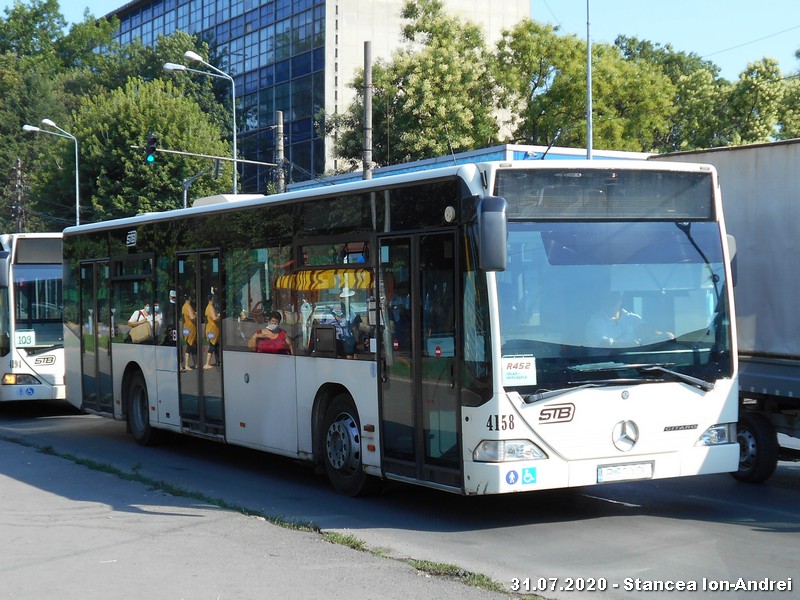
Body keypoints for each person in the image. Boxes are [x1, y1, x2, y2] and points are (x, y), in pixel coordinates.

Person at [204, 292, 221, 369]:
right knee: (212, 345)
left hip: (209, 329)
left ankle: (218, 361)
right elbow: (214, 318)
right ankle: (207, 363)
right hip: (213, 329)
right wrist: (219, 316)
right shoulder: (211, 307)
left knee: (215, 344)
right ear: (212, 299)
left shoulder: (207, 307)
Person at [181, 293, 197, 370]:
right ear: (189, 298)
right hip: (190, 328)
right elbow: (192, 317)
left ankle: (196, 364)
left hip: (185, 328)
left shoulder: (183, 307)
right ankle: (187, 365)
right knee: (190, 346)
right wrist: (196, 315)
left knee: (191, 345)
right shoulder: (188, 306)